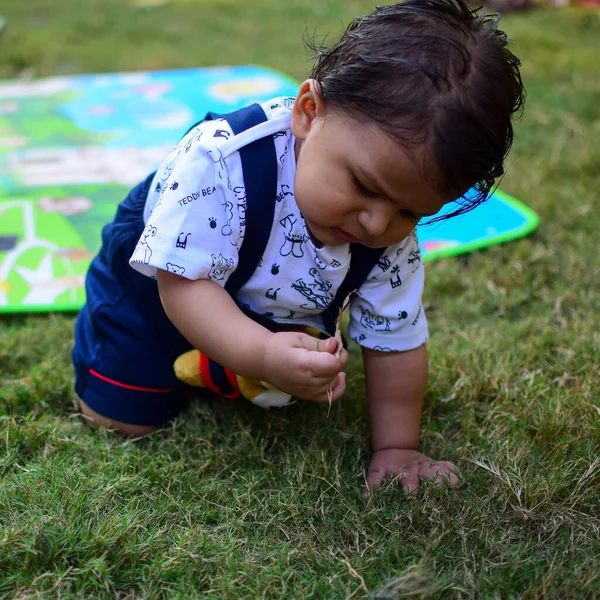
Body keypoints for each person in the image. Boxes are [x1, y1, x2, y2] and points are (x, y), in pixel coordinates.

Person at [72, 0, 524, 494]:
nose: (376, 223)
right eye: (365, 187)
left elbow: (396, 340)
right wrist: (263, 355)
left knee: (296, 370)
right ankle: (220, 363)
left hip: (274, 305)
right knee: (124, 423)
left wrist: (397, 447)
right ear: (309, 113)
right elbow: (183, 287)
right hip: (162, 289)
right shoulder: (220, 162)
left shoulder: (385, 227)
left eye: (410, 212)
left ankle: (229, 364)